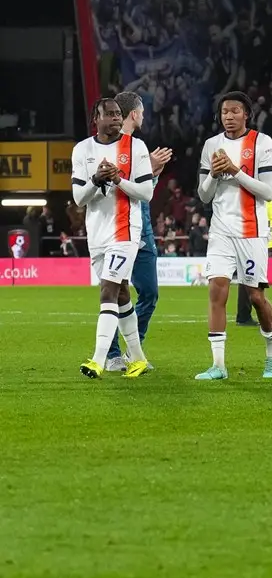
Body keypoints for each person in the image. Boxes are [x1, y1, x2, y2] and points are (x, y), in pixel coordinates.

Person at [195, 91, 272, 381]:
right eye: (224, 112)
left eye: (235, 111)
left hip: (251, 231)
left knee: (256, 297)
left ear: (246, 114)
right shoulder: (211, 145)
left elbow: (268, 192)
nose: (229, 116)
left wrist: (234, 171)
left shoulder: (262, 143)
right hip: (221, 230)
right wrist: (213, 175)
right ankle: (218, 365)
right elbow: (204, 195)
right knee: (217, 291)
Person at [75, 98, 156, 379]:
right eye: (108, 114)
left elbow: (146, 193)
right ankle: (139, 359)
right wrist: (96, 179)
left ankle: (98, 359)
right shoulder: (82, 150)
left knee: (108, 289)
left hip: (125, 230)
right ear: (95, 119)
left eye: (118, 114)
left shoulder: (136, 147)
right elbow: (79, 198)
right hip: (96, 233)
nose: (116, 118)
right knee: (121, 292)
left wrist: (118, 179)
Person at [103, 91, 172, 372]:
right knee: (113, 291)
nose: (143, 116)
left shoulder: (139, 148)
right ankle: (112, 355)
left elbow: (144, 193)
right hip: (115, 228)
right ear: (134, 113)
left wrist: (152, 174)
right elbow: (108, 189)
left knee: (150, 293)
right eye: (142, 112)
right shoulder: (107, 146)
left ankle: (134, 350)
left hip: (142, 229)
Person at [235, 200, 272, 326]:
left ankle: (244, 316)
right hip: (254, 240)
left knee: (248, 278)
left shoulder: (260, 198)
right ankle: (249, 316)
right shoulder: (260, 198)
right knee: (253, 279)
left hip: (255, 240)